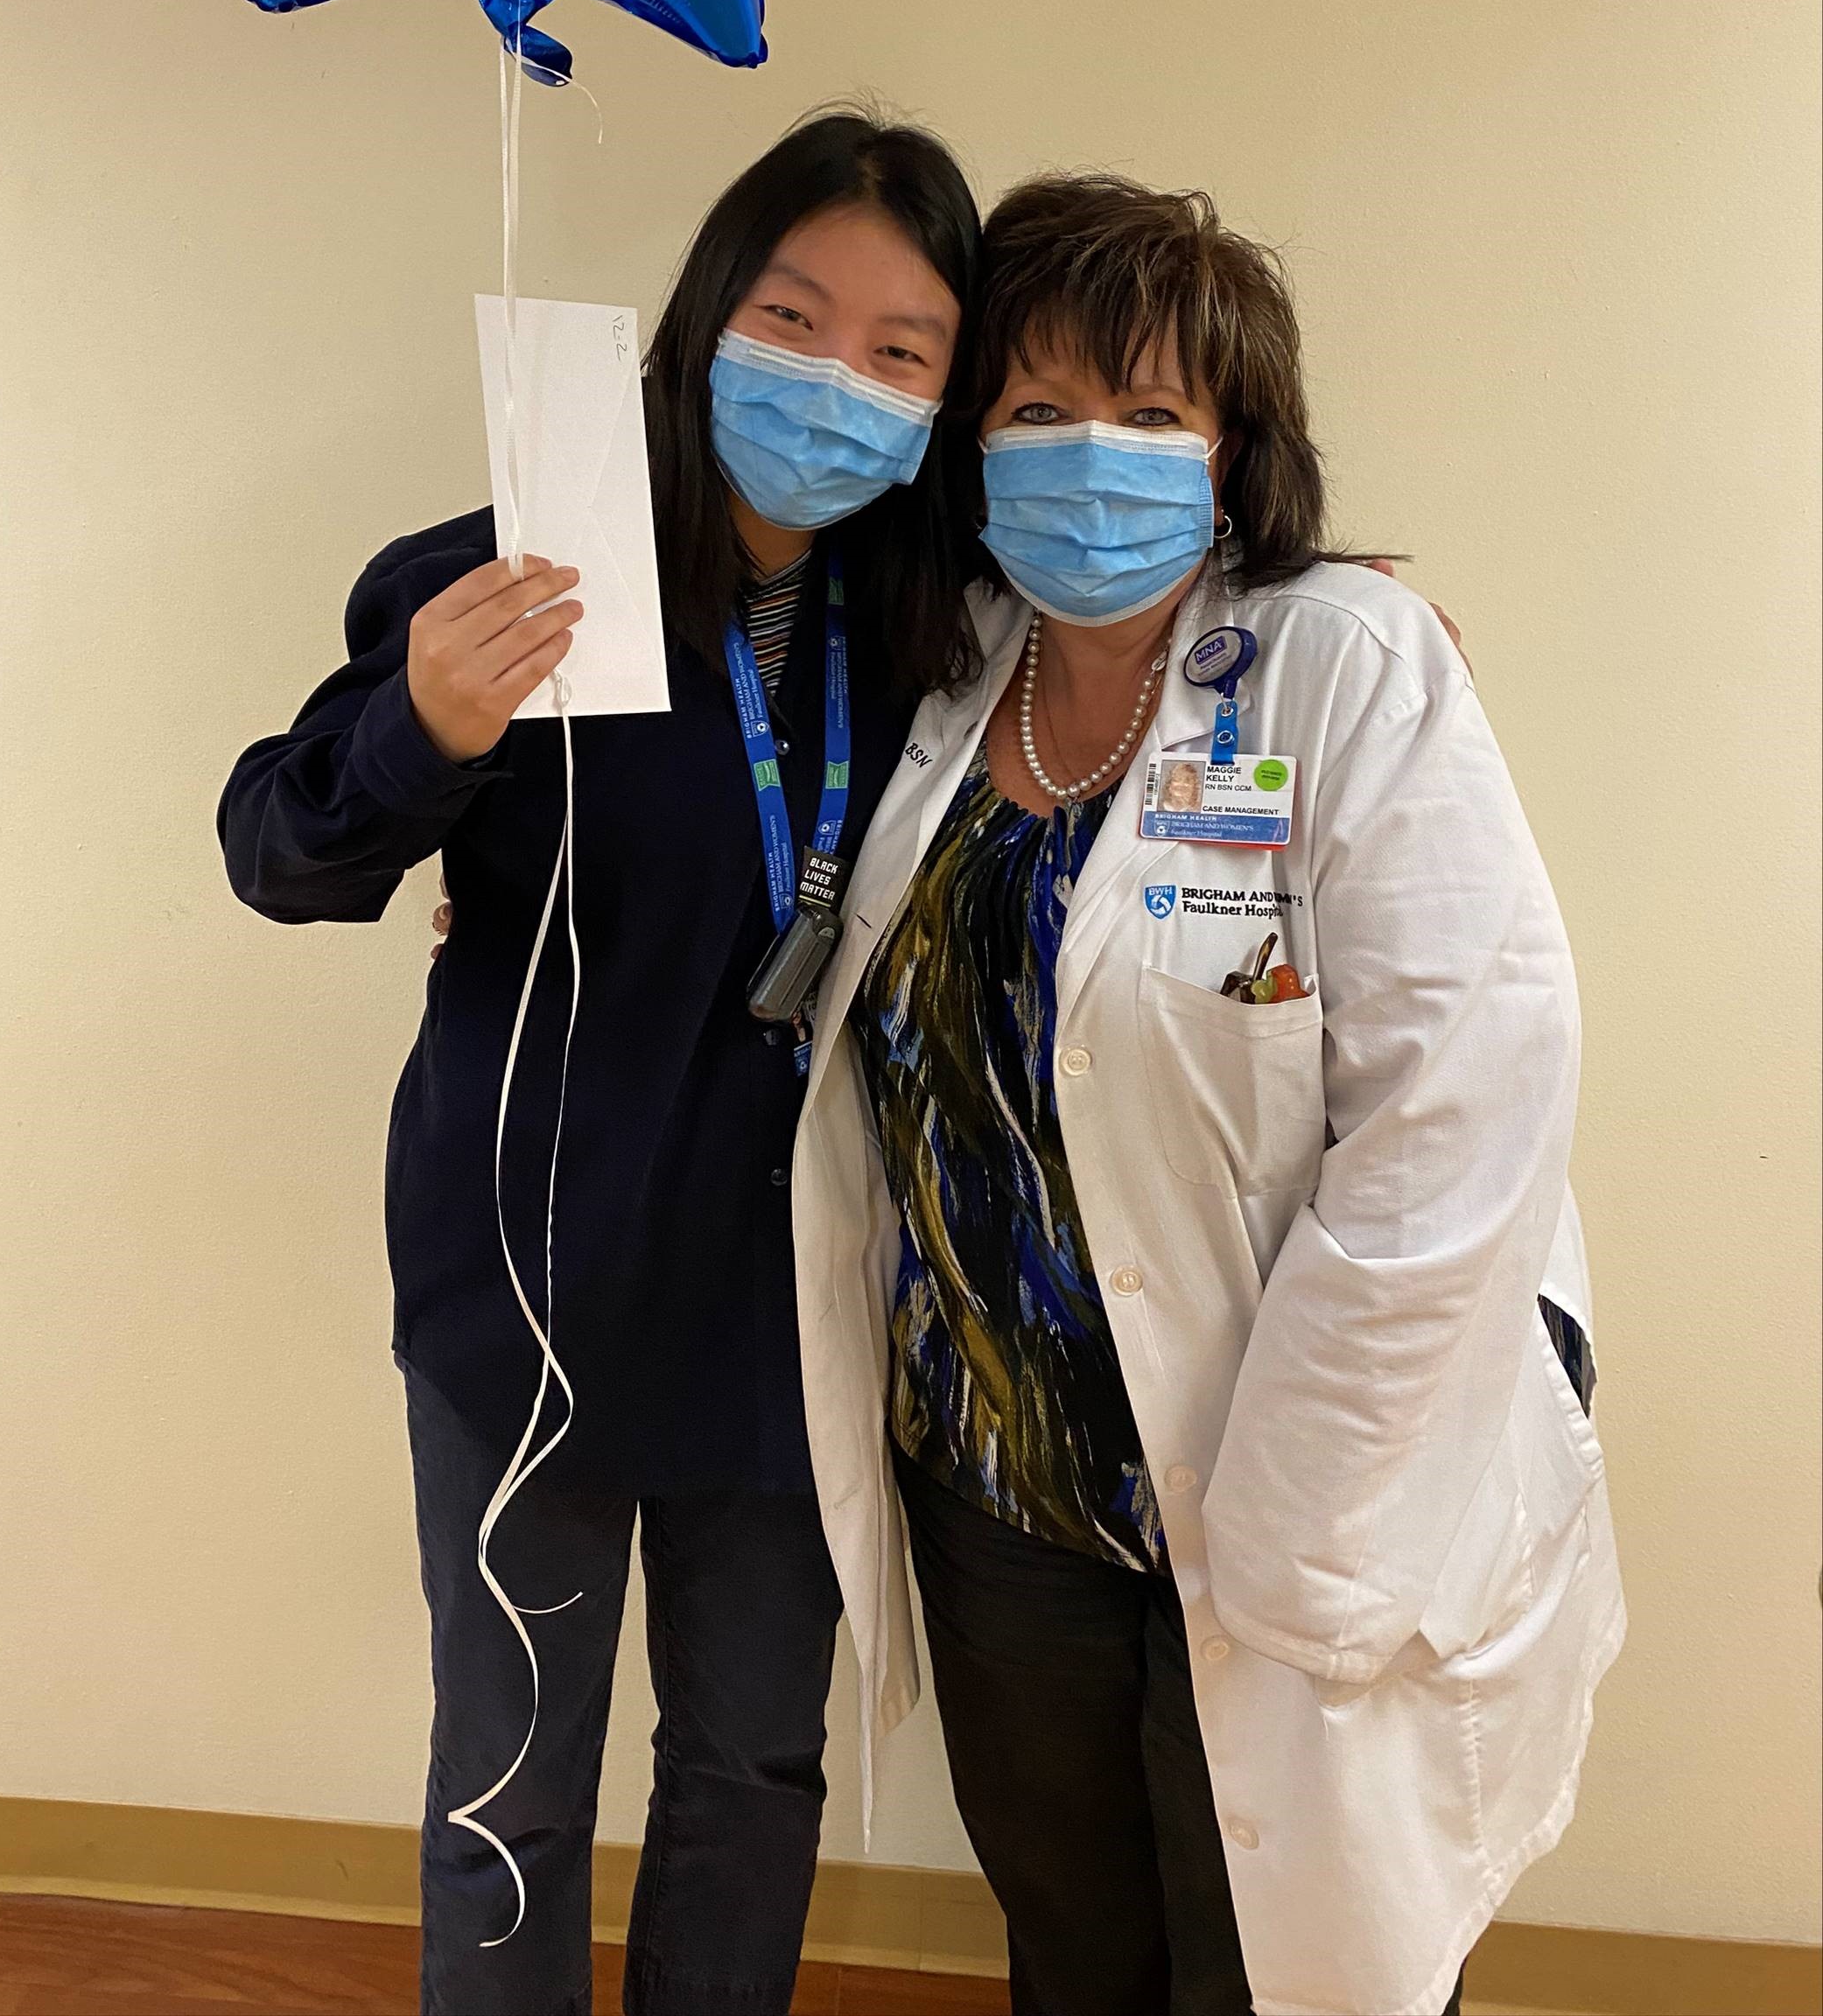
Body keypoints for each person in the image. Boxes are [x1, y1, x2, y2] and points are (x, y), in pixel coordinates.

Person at [790, 178, 1624, 2016]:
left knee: (1291, 1971)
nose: (1093, 453)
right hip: (1003, 1491)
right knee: (1078, 1955)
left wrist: (1302, 1533)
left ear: (1232, 451)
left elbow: (1462, 1111)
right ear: (971, 445)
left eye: (1151, 410)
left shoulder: (1343, 662)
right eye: (1038, 406)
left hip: (1301, 1478)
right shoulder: (939, 680)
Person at [217, 111, 981, 2016]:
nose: (838, 378)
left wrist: (1310, 624)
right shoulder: (518, 573)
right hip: (527, 1290)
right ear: (708, 310)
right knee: (513, 1788)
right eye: (794, 319)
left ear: (945, 400)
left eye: (900, 350)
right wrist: (423, 726)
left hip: (789, 1315)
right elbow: (277, 849)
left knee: (753, 1771)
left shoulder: (940, 632)